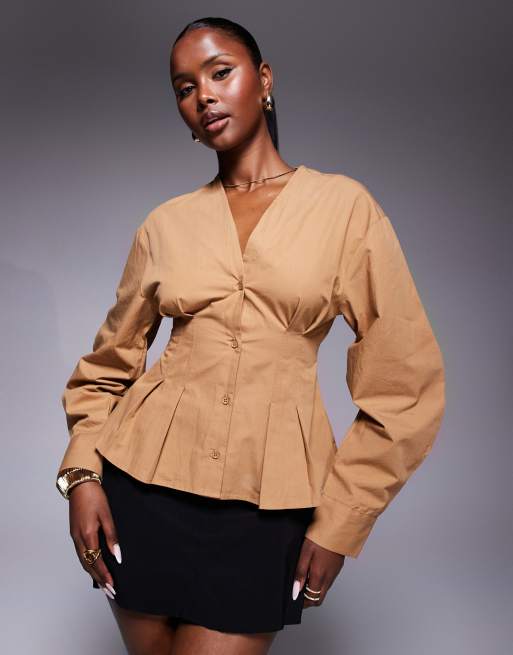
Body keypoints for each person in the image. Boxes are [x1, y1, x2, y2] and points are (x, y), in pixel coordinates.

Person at [55, 16, 446, 655]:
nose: (203, 96)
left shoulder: (345, 209)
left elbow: (406, 386)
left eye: (220, 73)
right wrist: (83, 478)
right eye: (185, 88)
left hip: (267, 509)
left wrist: (341, 523)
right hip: (139, 495)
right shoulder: (166, 224)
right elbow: (106, 368)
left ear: (263, 80)